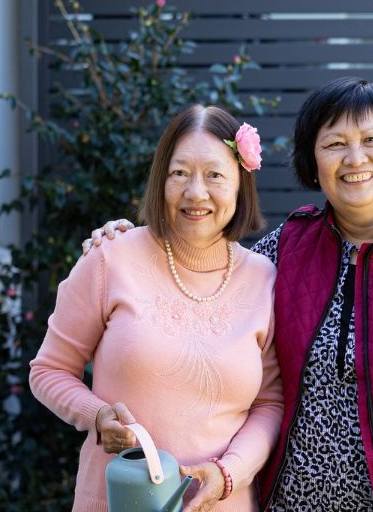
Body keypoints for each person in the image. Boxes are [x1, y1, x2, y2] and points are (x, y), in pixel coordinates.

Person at [85, 77, 373, 511]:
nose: (355, 158)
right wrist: (129, 245)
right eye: (335, 143)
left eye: (372, 139)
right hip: (293, 501)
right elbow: (199, 273)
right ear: (312, 160)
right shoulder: (281, 250)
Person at [31, 105, 282, 512]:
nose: (196, 192)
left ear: (240, 184)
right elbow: (48, 370)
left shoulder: (264, 279)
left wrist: (228, 472)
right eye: (179, 172)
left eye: (215, 175)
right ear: (160, 180)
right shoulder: (110, 258)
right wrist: (96, 416)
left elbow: (271, 403)